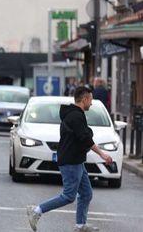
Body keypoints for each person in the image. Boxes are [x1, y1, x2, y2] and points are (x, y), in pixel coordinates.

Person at [27, 86, 113, 232]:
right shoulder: (75, 116)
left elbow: (82, 135)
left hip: (77, 160)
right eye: (90, 100)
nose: (91, 104)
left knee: (86, 193)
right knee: (68, 196)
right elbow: (85, 138)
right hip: (71, 161)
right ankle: (37, 211)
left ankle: (80, 226)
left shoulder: (75, 114)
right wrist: (102, 154)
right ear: (84, 99)